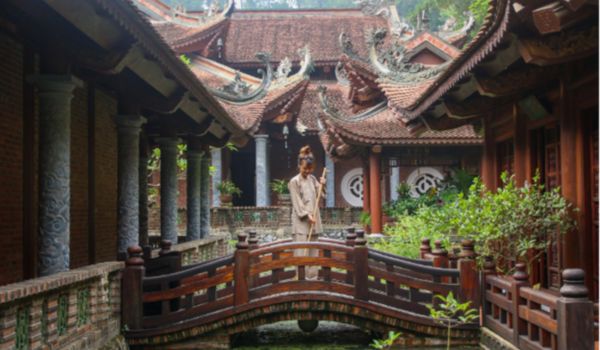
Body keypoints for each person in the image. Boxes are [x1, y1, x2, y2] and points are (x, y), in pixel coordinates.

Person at [288, 145, 326, 280]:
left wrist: (323, 184)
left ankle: (312, 278)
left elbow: (321, 195)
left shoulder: (312, 179)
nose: (307, 171)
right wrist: (306, 215)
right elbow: (296, 202)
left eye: (310, 169)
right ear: (299, 166)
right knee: (301, 251)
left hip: (314, 220)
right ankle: (301, 278)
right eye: (305, 169)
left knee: (313, 251)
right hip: (302, 222)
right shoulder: (294, 182)